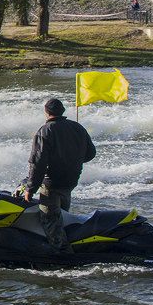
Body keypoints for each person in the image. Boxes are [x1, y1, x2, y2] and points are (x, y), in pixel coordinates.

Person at [21, 98, 96, 254]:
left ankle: (63, 255)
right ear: (62, 111)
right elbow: (91, 153)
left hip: (51, 184)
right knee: (62, 217)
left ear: (46, 112)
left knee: (51, 221)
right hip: (70, 181)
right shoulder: (77, 127)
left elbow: (38, 163)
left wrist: (30, 188)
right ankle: (69, 246)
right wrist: (72, 162)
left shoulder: (45, 130)